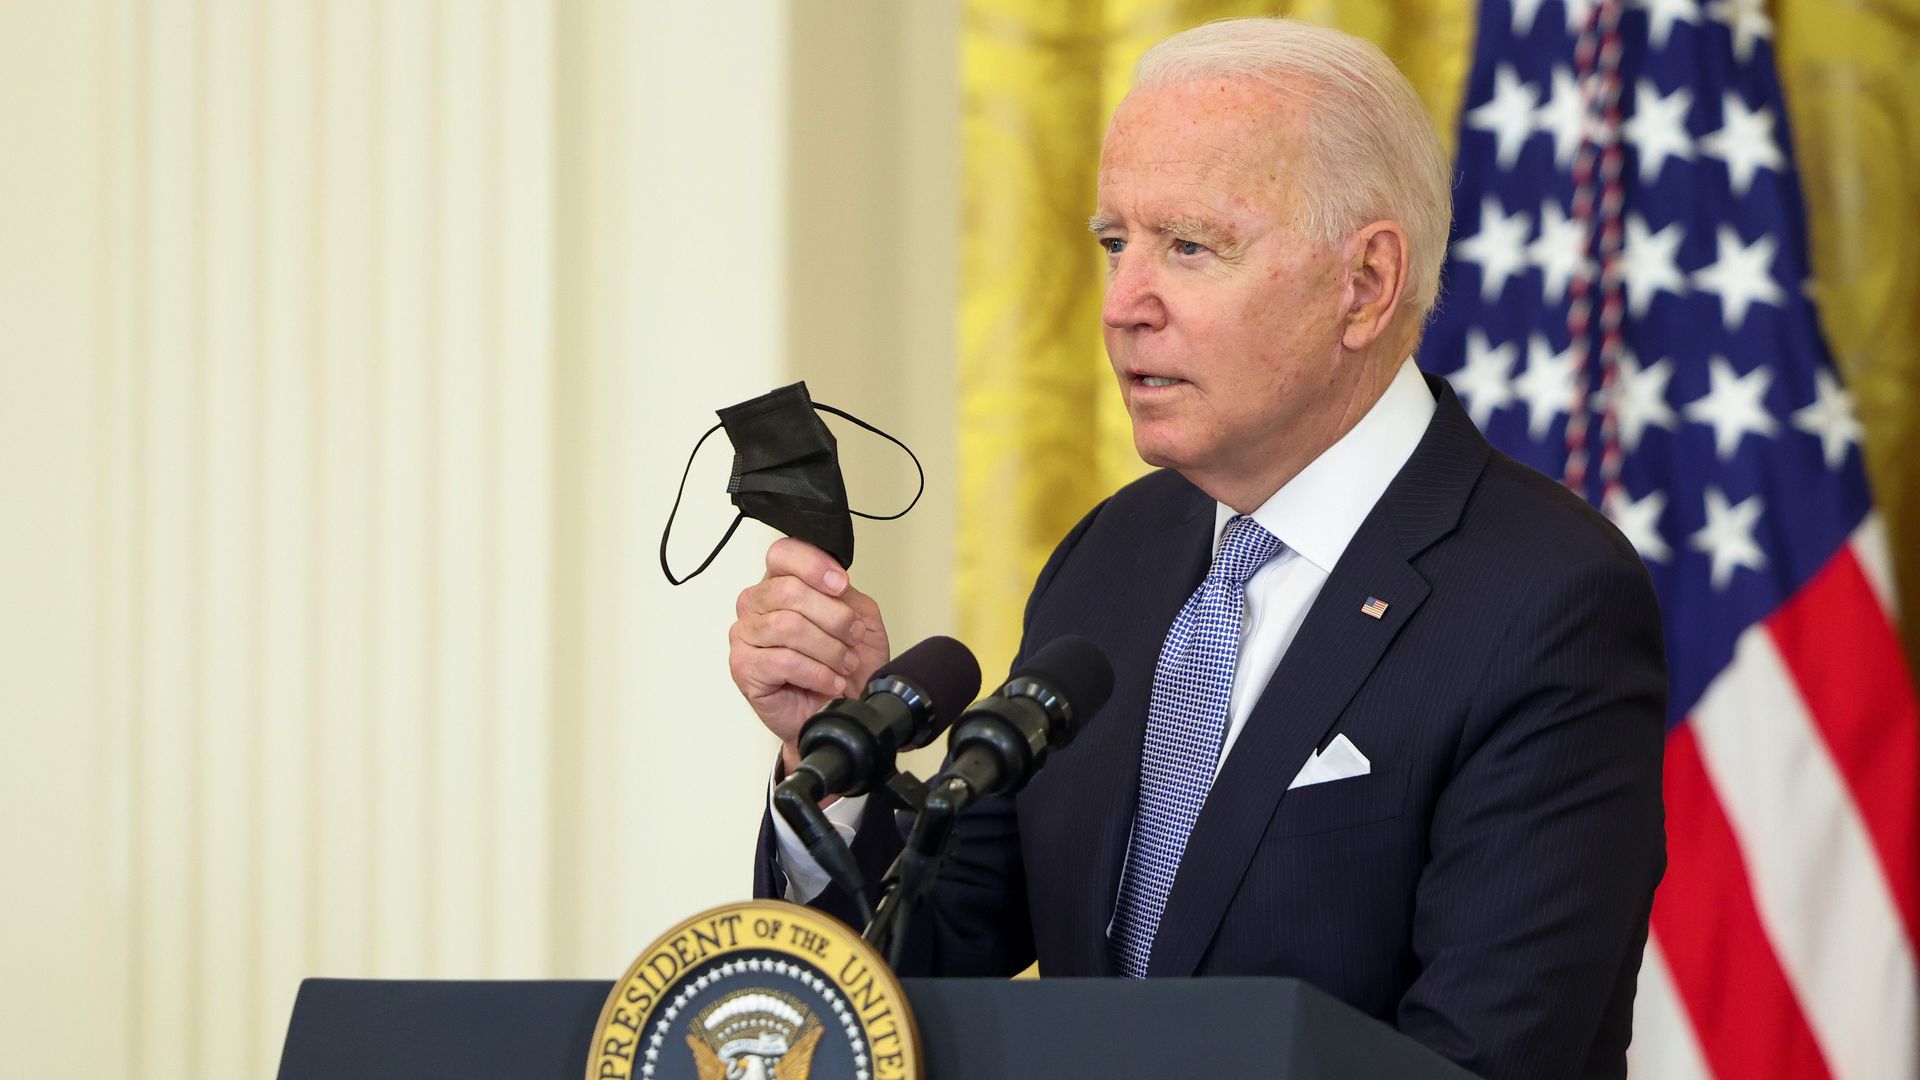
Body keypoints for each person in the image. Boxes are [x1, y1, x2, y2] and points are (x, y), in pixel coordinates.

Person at [727, 17, 1665, 1080]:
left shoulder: (1545, 596)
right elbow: (925, 970)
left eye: (1189, 247)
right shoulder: (1112, 555)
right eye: (1114, 244)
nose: (1125, 305)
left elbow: (1484, 1056)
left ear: (1365, 284)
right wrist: (833, 758)